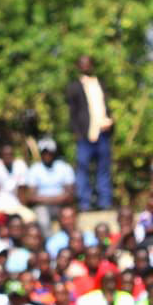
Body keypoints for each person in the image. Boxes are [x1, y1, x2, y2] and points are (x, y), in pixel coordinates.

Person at [65, 55, 114, 211]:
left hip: (103, 133)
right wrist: (77, 133)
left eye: (88, 63)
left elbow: (104, 106)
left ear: (92, 65)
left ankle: (105, 202)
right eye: (82, 64)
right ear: (78, 66)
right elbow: (72, 113)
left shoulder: (100, 83)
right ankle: (84, 203)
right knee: (83, 169)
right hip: (84, 135)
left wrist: (110, 121)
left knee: (104, 169)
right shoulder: (74, 87)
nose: (86, 66)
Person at [24, 139, 76, 232]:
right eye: (44, 153)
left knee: (68, 216)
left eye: (49, 153)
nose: (47, 155)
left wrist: (45, 199)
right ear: (41, 154)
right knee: (43, 220)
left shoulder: (64, 167)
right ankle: (49, 241)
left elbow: (70, 195)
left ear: (54, 153)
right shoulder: (35, 169)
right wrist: (56, 198)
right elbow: (31, 197)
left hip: (61, 205)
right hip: (42, 207)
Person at [0, 143, 32, 221]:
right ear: (1, 156)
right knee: (2, 221)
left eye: (10, 154)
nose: (8, 157)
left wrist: (23, 208)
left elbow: (22, 191)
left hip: (15, 204)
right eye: (5, 154)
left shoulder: (20, 165)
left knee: (29, 219)